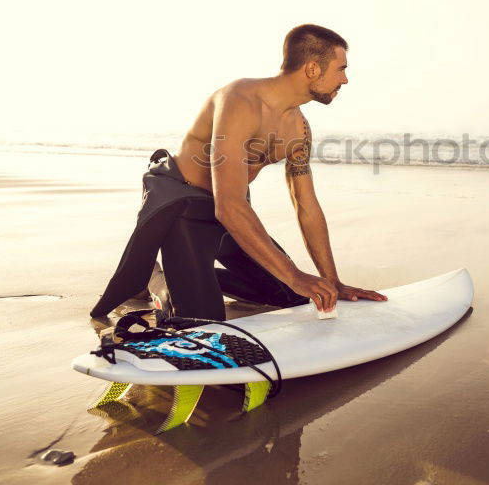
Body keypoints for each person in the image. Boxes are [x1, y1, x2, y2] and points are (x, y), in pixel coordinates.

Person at [90, 24, 387, 320]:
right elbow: (228, 206)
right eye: (341, 69)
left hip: (232, 212)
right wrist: (295, 274)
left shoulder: (300, 129)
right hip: (186, 206)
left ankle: (189, 275)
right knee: (201, 322)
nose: (345, 79)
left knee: (292, 295)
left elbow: (306, 206)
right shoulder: (241, 101)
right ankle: (160, 282)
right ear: (312, 68)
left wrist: (331, 280)